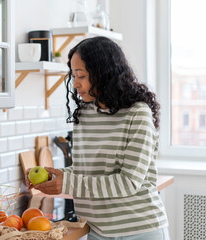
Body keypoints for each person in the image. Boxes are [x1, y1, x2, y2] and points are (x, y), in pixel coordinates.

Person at [25, 36, 170, 239]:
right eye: (73, 75)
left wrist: (67, 183)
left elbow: (128, 182)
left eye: (81, 76)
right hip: (97, 231)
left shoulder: (138, 113)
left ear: (103, 73)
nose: (75, 84)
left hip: (140, 230)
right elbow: (86, 170)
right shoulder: (84, 114)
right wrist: (53, 175)